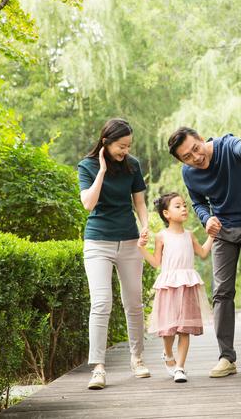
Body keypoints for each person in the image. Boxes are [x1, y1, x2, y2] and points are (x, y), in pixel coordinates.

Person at [167, 127, 241, 378]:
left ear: (200, 139)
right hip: (223, 231)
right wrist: (206, 219)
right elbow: (198, 203)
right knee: (222, 291)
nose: (195, 157)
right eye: (187, 157)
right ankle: (226, 357)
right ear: (181, 161)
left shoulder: (226, 146)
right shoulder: (189, 173)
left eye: (195, 148)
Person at [78, 118, 151, 390]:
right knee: (101, 303)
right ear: (106, 142)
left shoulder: (133, 165)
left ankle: (137, 358)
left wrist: (145, 227)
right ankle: (98, 368)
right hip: (98, 243)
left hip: (130, 242)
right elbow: (88, 203)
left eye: (128, 145)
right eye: (121, 146)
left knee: (134, 302)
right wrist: (102, 171)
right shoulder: (87, 166)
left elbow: (140, 202)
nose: (125, 151)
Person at [138, 192, 213, 383]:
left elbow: (203, 253)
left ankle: (180, 367)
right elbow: (156, 262)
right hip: (169, 286)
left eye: (184, 205)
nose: (184, 209)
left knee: (184, 329)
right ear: (166, 213)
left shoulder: (190, 235)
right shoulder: (161, 236)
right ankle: (168, 354)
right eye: (177, 206)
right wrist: (141, 248)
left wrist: (212, 236)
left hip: (187, 285)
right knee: (168, 329)